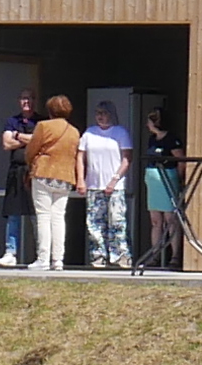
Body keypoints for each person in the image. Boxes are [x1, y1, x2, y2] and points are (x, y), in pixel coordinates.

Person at [19, 96, 83, 274]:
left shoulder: (43, 126)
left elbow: (31, 150)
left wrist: (31, 163)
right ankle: (58, 259)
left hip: (44, 173)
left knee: (43, 216)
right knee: (58, 218)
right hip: (65, 176)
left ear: (50, 110)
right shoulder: (74, 131)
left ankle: (43, 259)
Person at [79, 105, 133, 270]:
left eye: (104, 113)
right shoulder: (89, 133)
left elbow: (126, 159)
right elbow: (80, 157)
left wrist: (114, 180)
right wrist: (81, 180)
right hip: (94, 185)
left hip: (115, 186)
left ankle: (121, 256)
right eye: (98, 113)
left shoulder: (120, 133)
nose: (101, 116)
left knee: (117, 221)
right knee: (94, 223)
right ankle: (98, 256)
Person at [140, 99, 187, 272]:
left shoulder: (172, 140)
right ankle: (156, 254)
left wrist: (180, 179)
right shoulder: (152, 140)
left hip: (168, 179)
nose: (147, 124)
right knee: (155, 220)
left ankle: (175, 256)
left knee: (171, 219)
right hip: (153, 179)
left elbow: (180, 161)